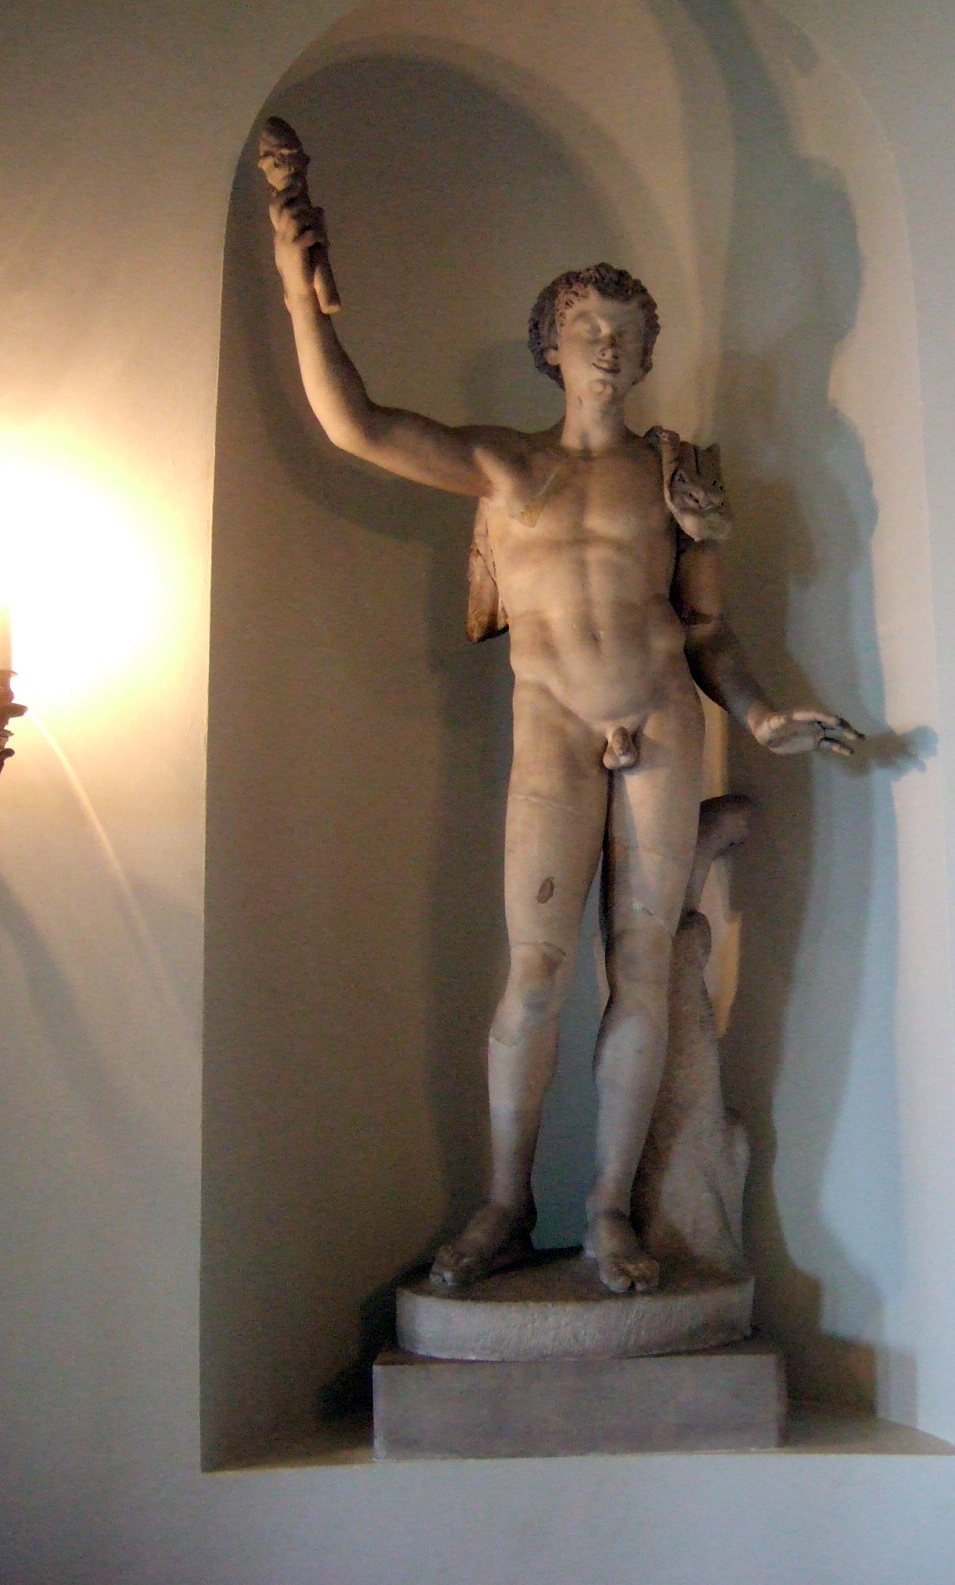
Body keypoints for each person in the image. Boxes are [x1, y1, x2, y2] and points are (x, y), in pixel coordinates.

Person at [269, 186, 861, 1295]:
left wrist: (761, 713)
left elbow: (707, 629)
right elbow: (356, 425)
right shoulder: (509, 465)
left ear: (645, 355)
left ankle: (605, 1210)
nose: (606, 344)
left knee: (642, 965)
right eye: (587, 326)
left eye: (626, 331)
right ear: (551, 345)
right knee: (534, 970)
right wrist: (303, 293)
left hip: (663, 714)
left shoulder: (676, 471)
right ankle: (505, 1204)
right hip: (551, 722)